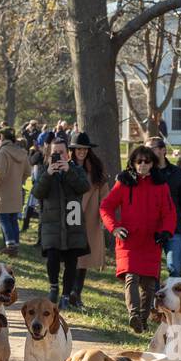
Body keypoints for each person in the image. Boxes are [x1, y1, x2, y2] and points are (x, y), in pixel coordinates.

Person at [99, 145, 176, 333]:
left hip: (151, 241)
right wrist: (114, 228)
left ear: (152, 164)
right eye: (139, 161)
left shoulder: (161, 185)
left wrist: (166, 231)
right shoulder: (124, 183)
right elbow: (106, 207)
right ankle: (133, 314)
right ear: (133, 163)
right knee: (131, 278)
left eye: (146, 161)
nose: (142, 164)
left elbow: (169, 212)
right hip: (129, 240)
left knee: (149, 285)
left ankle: (142, 321)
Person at [32, 138, 88, 305]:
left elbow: (84, 187)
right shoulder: (44, 170)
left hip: (73, 219)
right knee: (52, 256)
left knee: (72, 260)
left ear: (68, 153)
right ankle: (53, 287)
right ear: (49, 154)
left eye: (61, 152)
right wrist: (49, 174)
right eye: (55, 153)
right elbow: (37, 193)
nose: (58, 156)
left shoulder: (76, 169)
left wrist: (68, 170)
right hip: (51, 222)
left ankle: (66, 295)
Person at [66, 131, 108, 311]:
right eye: (78, 149)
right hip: (71, 214)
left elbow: (105, 195)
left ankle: (76, 293)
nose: (81, 152)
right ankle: (67, 293)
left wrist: (104, 217)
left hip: (90, 217)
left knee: (83, 257)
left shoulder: (96, 169)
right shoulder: (67, 167)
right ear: (73, 150)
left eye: (84, 149)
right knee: (72, 256)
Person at [147, 135, 181, 278]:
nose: (148, 152)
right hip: (150, 230)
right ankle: (154, 300)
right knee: (151, 272)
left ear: (163, 150)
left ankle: (173, 300)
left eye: (151, 148)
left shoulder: (177, 173)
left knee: (175, 269)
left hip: (173, 229)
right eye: (146, 149)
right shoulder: (145, 173)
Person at [0, 127, 31, 257]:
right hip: (16, 190)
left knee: (3, 218)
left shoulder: (2, 152)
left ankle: (10, 245)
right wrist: (19, 181)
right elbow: (28, 172)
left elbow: (0, 172)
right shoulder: (22, 152)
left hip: (2, 191)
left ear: (2, 138)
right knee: (13, 219)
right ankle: (13, 244)